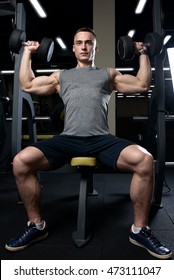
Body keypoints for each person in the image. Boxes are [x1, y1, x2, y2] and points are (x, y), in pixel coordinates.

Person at [5, 27, 172, 259]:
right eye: (79, 42)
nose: (84, 46)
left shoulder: (108, 74)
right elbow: (28, 84)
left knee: (144, 160)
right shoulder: (61, 77)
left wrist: (143, 52)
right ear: (73, 48)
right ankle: (36, 225)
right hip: (67, 139)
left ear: (96, 47)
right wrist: (28, 53)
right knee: (21, 161)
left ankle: (139, 230)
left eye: (89, 43)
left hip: (102, 139)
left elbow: (142, 84)